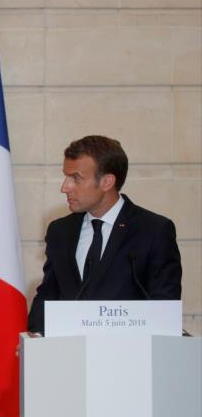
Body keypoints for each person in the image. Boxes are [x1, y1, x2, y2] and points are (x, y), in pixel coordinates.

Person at [27, 135, 181, 334]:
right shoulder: (59, 231)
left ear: (107, 181)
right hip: (69, 357)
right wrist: (37, 336)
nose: (64, 187)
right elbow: (49, 294)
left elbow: (164, 306)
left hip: (131, 358)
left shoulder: (154, 230)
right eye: (66, 177)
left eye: (76, 178)